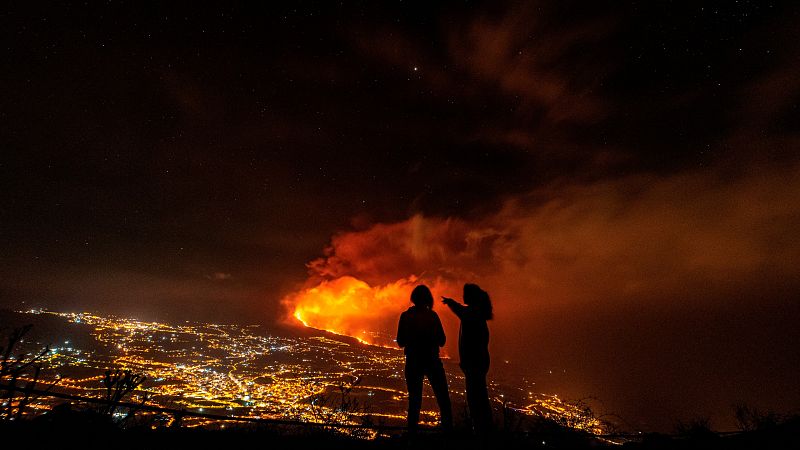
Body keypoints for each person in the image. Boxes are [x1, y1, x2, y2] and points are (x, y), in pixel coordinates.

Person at [396, 285, 453, 432]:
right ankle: (448, 435)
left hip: (413, 362)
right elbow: (442, 340)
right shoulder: (432, 316)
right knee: (443, 400)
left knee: (414, 402)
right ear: (428, 299)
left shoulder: (405, 316)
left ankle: (412, 436)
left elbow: (400, 341)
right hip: (432, 361)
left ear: (413, 298)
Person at [442, 283, 493, 434]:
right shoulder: (477, 313)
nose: (463, 296)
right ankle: (485, 429)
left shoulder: (473, 314)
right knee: (480, 396)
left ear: (471, 296)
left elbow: (461, 312)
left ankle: (482, 431)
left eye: (465, 293)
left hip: (474, 363)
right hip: (478, 362)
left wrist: (451, 303)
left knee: (476, 398)